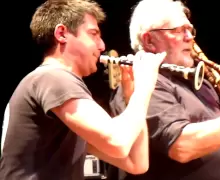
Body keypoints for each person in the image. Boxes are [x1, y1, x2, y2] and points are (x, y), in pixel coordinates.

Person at [109, 0, 220, 179]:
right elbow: (181, 146)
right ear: (149, 40)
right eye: (179, 30)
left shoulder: (201, 84)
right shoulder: (144, 85)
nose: (190, 38)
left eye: (190, 30)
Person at [0, 0, 167, 179]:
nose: (102, 46)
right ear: (62, 34)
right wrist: (145, 86)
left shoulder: (54, 87)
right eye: (93, 34)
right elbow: (118, 141)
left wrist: (132, 93)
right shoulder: (53, 77)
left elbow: (137, 163)